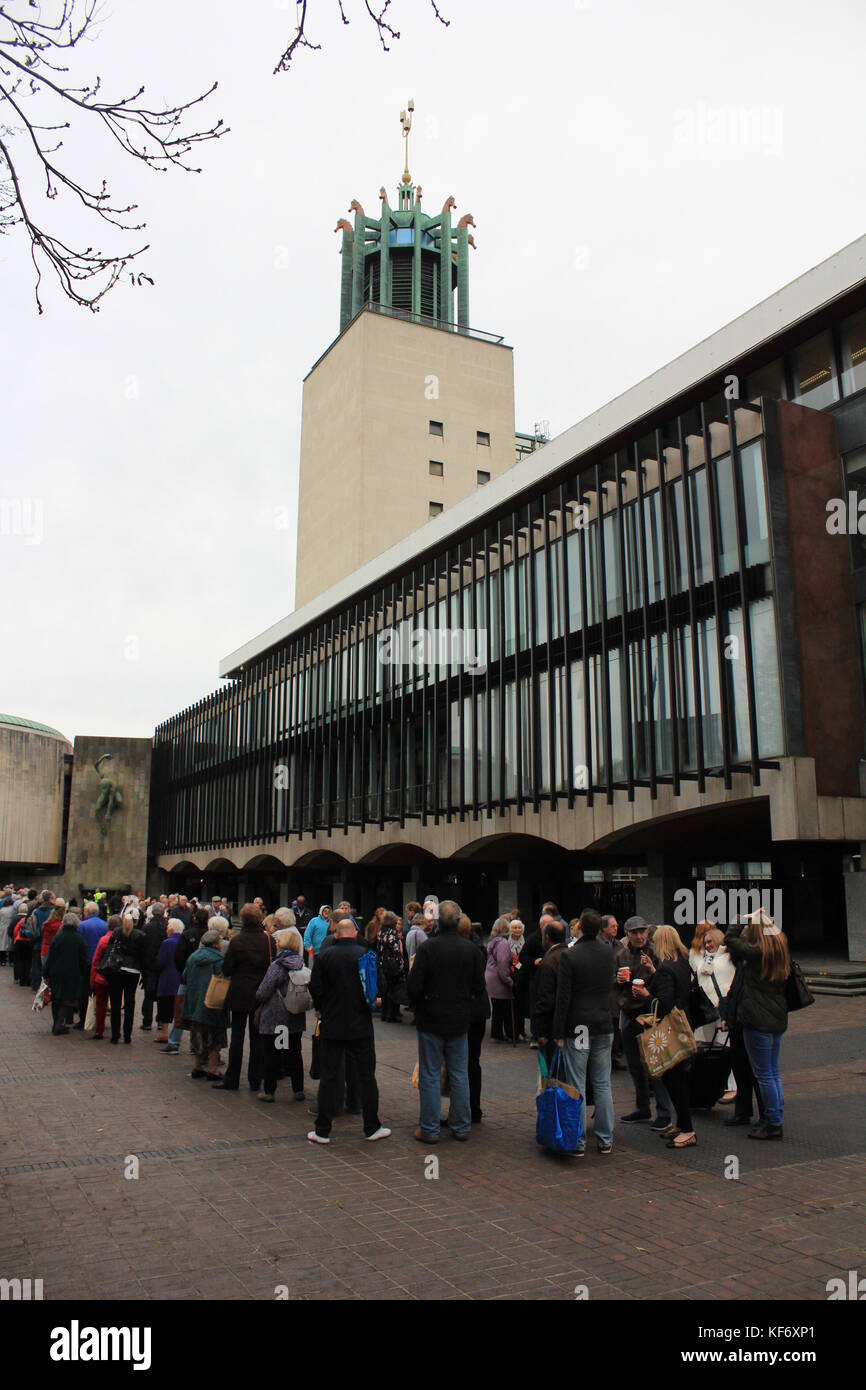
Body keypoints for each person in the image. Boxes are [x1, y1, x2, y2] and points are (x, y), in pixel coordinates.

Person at [407, 900, 485, 1143]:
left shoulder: (429, 949)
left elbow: (414, 985)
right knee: (459, 1073)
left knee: (430, 1074)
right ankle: (461, 1126)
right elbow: (479, 986)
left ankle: (429, 1129)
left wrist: (420, 1003)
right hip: (460, 1018)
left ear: (439, 921)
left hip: (431, 1018)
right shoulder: (470, 950)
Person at [307, 915, 390, 1144]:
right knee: (366, 1077)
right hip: (361, 1025)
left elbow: (315, 987)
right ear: (355, 934)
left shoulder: (324, 957)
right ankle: (372, 1126)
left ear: (336, 934)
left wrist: (323, 1008)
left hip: (332, 1025)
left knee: (329, 1077)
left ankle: (322, 1130)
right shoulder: (367, 955)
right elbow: (379, 986)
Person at [552, 909, 616, 1155]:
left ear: (578, 928)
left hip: (578, 1023)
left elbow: (563, 997)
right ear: (600, 929)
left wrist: (558, 1030)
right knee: (602, 1082)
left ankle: (578, 1141)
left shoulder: (570, 956)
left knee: (577, 1083)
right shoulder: (607, 952)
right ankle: (605, 1138)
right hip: (603, 1020)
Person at [724, 911, 790, 1140]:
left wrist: (744, 917)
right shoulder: (779, 949)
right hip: (777, 1018)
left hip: (757, 1019)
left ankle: (772, 1123)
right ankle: (775, 1117)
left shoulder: (755, 952)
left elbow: (730, 938)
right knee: (773, 1071)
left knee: (764, 1074)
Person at [631, 925, 695, 1149]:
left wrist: (646, 994)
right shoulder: (681, 962)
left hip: (670, 1028)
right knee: (677, 1077)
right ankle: (682, 1124)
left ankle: (687, 1130)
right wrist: (653, 973)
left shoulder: (667, 967)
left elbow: (664, 1003)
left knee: (673, 1078)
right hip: (683, 1022)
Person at [614, 916, 672, 1132]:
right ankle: (642, 1108)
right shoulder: (621, 954)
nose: (638, 936)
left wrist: (652, 973)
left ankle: (664, 1112)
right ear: (627, 934)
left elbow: (665, 983)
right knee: (635, 1065)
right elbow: (614, 981)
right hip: (629, 1013)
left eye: (642, 932)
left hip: (650, 1014)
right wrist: (617, 980)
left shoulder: (656, 952)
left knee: (655, 1064)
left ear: (648, 932)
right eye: (634, 933)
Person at [212, 902, 272, 1091]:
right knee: (257, 1038)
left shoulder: (237, 941)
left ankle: (233, 1079)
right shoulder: (268, 940)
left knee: (237, 1038)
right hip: (260, 993)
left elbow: (227, 968)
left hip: (239, 992)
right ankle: (256, 1079)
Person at [255, 926, 308, 1103]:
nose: (276, 944)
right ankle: (298, 1088)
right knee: (294, 1052)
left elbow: (263, 991)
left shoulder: (278, 966)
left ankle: (269, 1091)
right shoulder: (300, 964)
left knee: (274, 1054)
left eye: (278, 941)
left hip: (277, 1017)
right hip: (295, 1016)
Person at [182, 925, 230, 1081]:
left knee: (197, 1035)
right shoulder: (219, 960)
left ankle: (197, 1066)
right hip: (213, 1003)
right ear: (216, 943)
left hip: (194, 1002)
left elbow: (184, 977)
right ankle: (213, 1069)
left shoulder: (192, 957)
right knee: (215, 1036)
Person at [458, 913, 489, 1124]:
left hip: (464, 1012)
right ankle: (473, 1108)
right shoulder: (479, 948)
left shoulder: (465, 950)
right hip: (478, 1011)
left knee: (461, 1062)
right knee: (473, 1061)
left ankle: (463, 1110)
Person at [102, 910, 146, 1044]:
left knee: (115, 1003)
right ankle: (127, 1035)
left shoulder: (116, 933)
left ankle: (115, 1035)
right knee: (130, 1002)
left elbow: (109, 949)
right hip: (133, 971)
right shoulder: (139, 935)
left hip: (117, 969)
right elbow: (143, 955)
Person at [43, 911, 88, 1035]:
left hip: (56, 972)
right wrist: (84, 972)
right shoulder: (79, 939)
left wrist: (45, 972)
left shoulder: (58, 937)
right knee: (67, 999)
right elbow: (83, 958)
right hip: (72, 973)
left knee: (56, 998)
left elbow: (50, 956)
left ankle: (56, 1023)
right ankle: (59, 1024)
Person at [532, 919, 567, 1069]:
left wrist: (541, 1032)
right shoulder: (569, 954)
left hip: (553, 1026)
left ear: (547, 937)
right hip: (569, 1024)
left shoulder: (549, 962)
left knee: (553, 1072)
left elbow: (545, 999)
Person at [485, 917, 515, 1041]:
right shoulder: (503, 943)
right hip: (498, 978)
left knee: (497, 1008)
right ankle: (508, 1033)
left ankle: (496, 1034)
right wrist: (507, 979)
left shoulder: (493, 941)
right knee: (505, 1007)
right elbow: (502, 963)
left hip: (490, 975)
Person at [154, 919, 183, 1044]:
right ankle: (176, 1034)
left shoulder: (166, 943)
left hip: (167, 978)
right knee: (177, 1008)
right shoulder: (183, 942)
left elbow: (160, 962)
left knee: (164, 1007)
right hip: (180, 978)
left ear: (171, 930)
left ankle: (165, 1033)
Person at [140, 901, 167, 1032]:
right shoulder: (167, 926)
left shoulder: (147, 927)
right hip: (163, 965)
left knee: (148, 994)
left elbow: (142, 946)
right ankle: (161, 1021)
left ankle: (147, 1021)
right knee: (162, 994)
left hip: (148, 965)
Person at [89, 916, 116, 1040]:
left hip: (102, 977)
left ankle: (99, 1030)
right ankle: (116, 1031)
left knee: (101, 1004)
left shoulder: (103, 940)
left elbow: (96, 961)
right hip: (116, 977)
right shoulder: (122, 939)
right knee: (115, 1005)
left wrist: (92, 979)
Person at [376, 910, 406, 1022]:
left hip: (383, 964)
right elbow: (396, 951)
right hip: (392, 965)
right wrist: (401, 965)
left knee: (385, 989)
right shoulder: (393, 933)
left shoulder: (380, 932)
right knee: (393, 990)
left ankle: (384, 1014)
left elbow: (379, 949)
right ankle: (391, 1015)